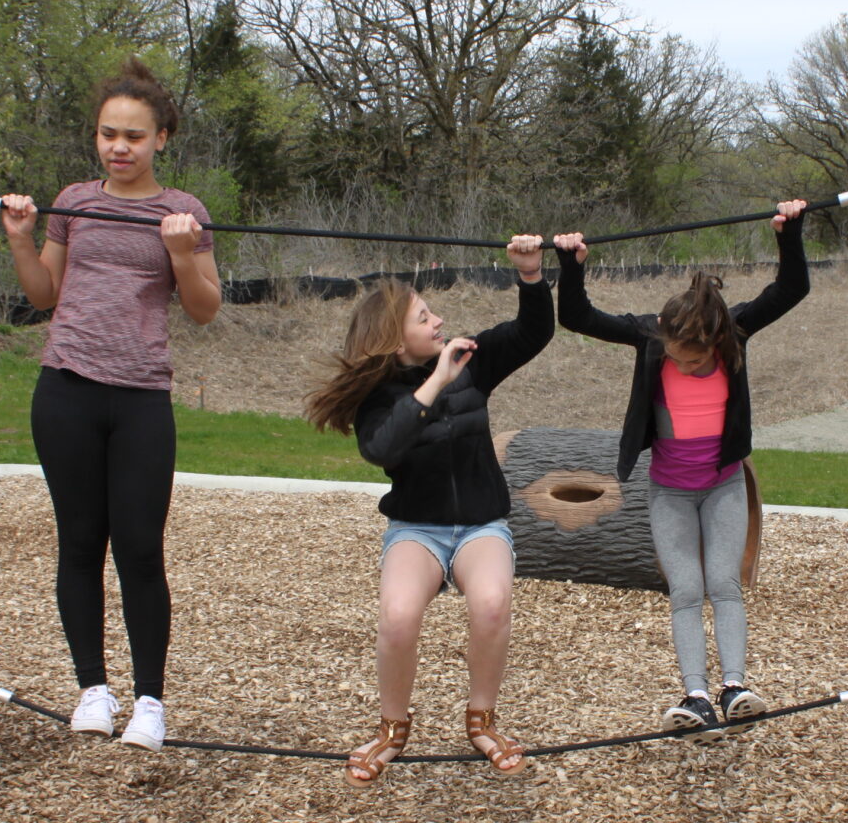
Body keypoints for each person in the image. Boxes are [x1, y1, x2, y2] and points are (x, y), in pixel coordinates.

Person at [0, 58, 221, 752]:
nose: (118, 147)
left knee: (140, 548)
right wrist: (18, 238)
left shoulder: (184, 213)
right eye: (107, 134)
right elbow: (43, 294)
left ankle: (149, 701)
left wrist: (183, 254)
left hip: (141, 399)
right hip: (65, 390)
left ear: (162, 139)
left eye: (133, 135)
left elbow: (204, 309)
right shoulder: (73, 201)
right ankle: (92, 687)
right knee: (79, 542)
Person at [552, 200, 810, 732]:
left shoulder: (733, 331)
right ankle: (695, 696)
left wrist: (790, 231)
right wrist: (571, 265)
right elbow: (576, 316)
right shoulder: (651, 338)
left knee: (724, 582)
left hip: (723, 486)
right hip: (669, 490)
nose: (680, 364)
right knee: (687, 590)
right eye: (673, 355)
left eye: (691, 360)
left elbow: (790, 290)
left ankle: (735, 685)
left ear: (715, 342)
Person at [304, 239, 552, 785]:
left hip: (482, 524)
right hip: (417, 528)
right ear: (396, 339)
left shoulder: (472, 359)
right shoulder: (379, 396)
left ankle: (481, 719)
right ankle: (392, 728)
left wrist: (531, 275)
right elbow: (382, 449)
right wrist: (437, 379)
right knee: (396, 616)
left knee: (490, 604)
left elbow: (534, 333)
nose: (438, 320)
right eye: (424, 316)